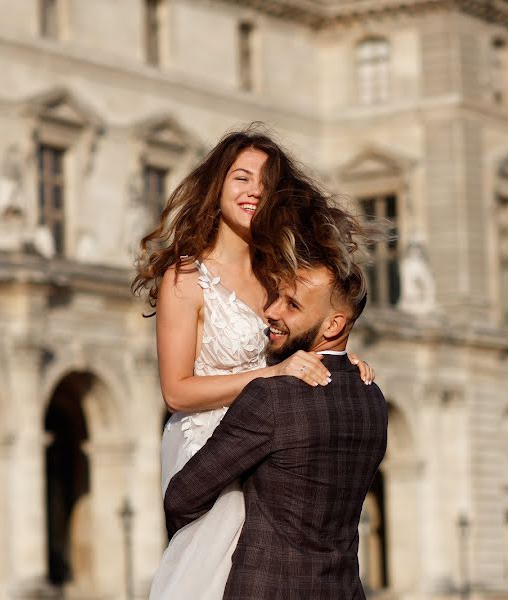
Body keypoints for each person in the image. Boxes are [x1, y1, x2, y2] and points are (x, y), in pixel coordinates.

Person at [132, 125, 375, 599]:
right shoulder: (185, 276)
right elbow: (176, 391)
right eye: (241, 177)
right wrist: (271, 376)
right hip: (207, 438)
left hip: (272, 429)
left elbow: (302, 340)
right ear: (217, 186)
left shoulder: (277, 273)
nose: (253, 190)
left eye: (265, 182)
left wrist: (340, 358)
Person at [164, 214, 388, 598]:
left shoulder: (272, 397)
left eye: (292, 305)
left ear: (334, 324)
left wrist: (216, 539)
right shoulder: (373, 398)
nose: (271, 312)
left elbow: (182, 496)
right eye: (277, 296)